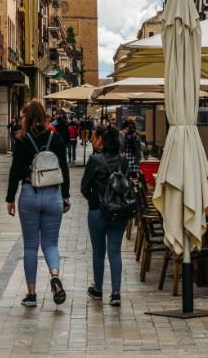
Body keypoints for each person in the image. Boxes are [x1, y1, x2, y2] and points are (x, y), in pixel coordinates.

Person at [6, 99, 71, 307]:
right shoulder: (56, 138)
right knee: (51, 243)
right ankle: (54, 275)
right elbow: (64, 169)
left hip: (30, 193)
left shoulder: (22, 140)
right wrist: (66, 195)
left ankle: (31, 294)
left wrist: (9, 198)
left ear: (28, 117)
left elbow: (15, 171)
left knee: (31, 246)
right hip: (53, 195)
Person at [81, 126, 128, 306]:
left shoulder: (95, 160)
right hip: (119, 210)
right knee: (115, 251)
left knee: (98, 251)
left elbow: (84, 187)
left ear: (103, 141)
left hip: (97, 212)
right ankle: (116, 292)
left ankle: (98, 288)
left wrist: (96, 201)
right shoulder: (123, 161)